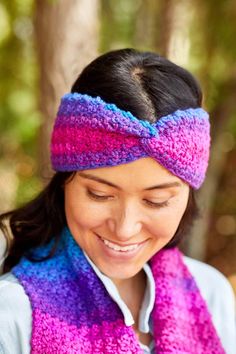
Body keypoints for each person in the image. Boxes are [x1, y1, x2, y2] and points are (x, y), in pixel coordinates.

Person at [0, 48, 235, 354]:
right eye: (99, 194)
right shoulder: (13, 314)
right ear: (64, 183)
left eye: (156, 200)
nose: (124, 229)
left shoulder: (211, 293)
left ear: (187, 195)